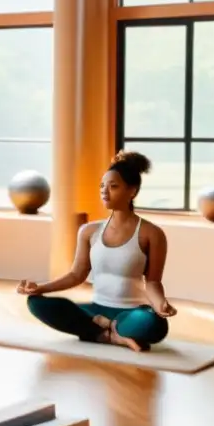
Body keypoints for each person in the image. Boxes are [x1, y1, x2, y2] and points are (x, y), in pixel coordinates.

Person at [17, 150, 175, 352]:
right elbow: (76, 275)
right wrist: (40, 288)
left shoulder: (152, 233)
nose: (104, 191)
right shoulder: (89, 231)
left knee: (154, 324)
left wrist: (161, 304)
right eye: (102, 186)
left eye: (113, 186)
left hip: (130, 312)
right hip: (94, 310)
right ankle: (114, 335)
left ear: (132, 191)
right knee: (37, 303)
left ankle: (103, 330)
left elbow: (153, 282)